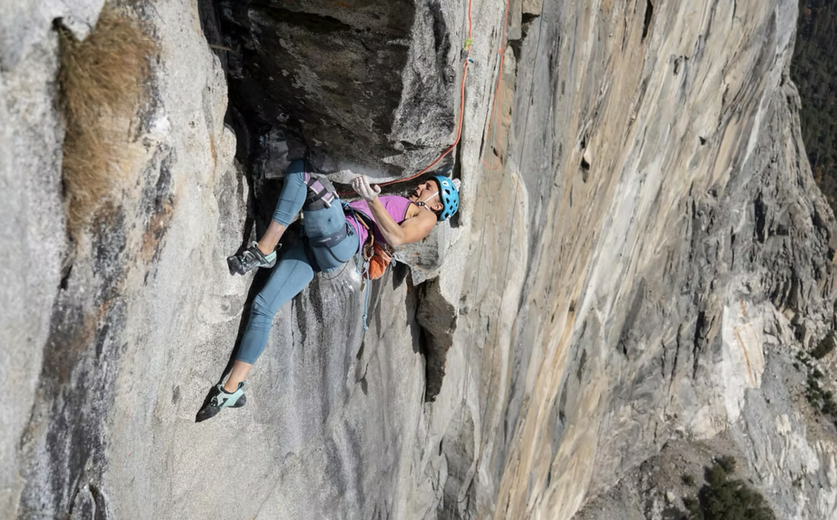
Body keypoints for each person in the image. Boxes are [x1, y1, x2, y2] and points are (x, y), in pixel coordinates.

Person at [196, 159, 460, 421]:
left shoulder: (426, 216)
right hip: (320, 248)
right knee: (263, 307)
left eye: (428, 187)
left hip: (343, 236)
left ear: (437, 204)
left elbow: (397, 238)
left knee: (303, 172)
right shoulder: (411, 205)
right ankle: (230, 390)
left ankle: (264, 250)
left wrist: (371, 200)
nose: (420, 186)